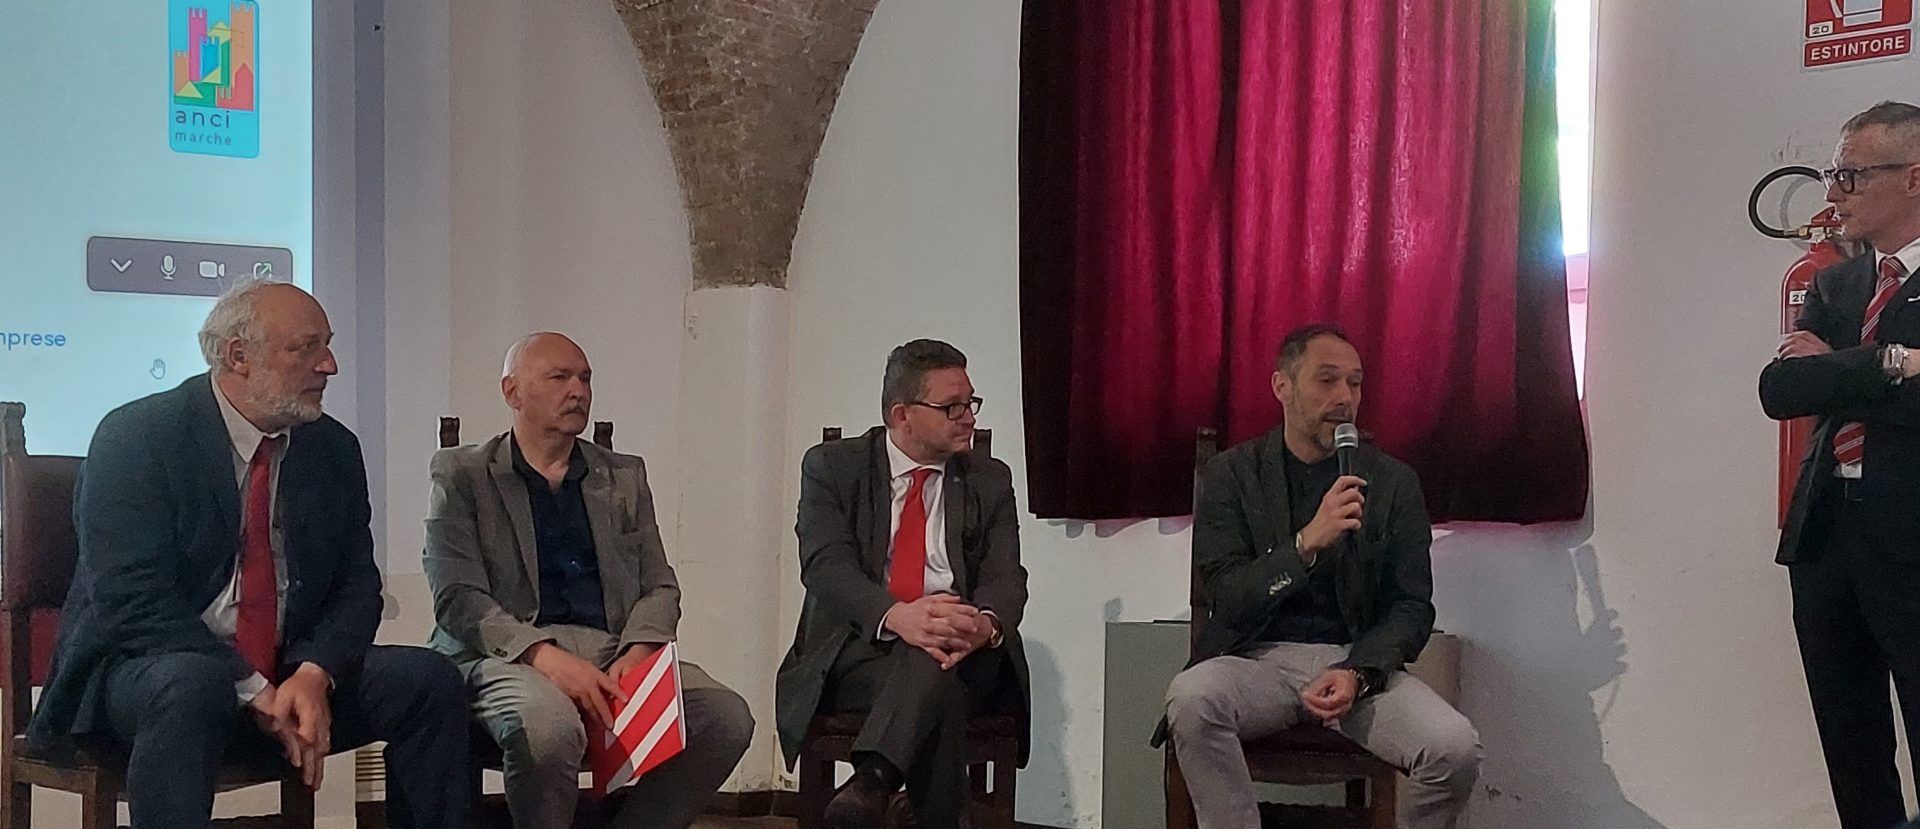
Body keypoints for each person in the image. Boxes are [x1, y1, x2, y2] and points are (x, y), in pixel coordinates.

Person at [28, 279, 470, 828]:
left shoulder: (332, 448)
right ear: (238, 355)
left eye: (328, 345)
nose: (329, 365)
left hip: (285, 668)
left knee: (428, 681)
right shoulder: (138, 437)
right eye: (306, 348)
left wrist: (314, 673)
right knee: (193, 684)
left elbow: (357, 587)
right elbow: (132, 601)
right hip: (145, 673)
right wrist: (253, 689)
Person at [423, 332, 754, 829]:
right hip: (506, 654)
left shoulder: (622, 476)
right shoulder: (463, 474)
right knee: (550, 727)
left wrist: (638, 653)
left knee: (725, 717)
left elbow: (660, 585)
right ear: (512, 391)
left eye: (584, 378)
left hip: (610, 650)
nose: (577, 390)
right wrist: (546, 657)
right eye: (559, 378)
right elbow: (458, 597)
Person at [1159, 323, 1480, 829]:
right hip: (1256, 662)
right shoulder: (1232, 475)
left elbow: (1411, 606)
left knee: (1454, 748)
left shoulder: (1393, 483)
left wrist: (1357, 673)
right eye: (1327, 380)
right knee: (1191, 699)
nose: (1344, 397)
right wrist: (1305, 543)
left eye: (1354, 383)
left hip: (1356, 664)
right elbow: (1227, 594)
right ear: (1282, 386)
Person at [776, 339, 1029, 829]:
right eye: (951, 406)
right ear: (902, 414)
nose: (967, 416)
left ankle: (874, 780)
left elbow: (1006, 575)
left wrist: (984, 625)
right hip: (862, 651)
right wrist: (897, 616)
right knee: (938, 684)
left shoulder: (989, 478)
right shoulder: (833, 467)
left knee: (936, 655)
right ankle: (897, 795)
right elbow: (826, 566)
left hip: (967, 650)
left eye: (971, 403)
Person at [1761, 100, 1920, 829]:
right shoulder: (1836, 285)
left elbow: (1822, 382)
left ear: (1913, 177)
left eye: (1852, 175)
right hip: (1826, 540)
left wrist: (1839, 370)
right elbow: (1782, 389)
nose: (1834, 193)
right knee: (1852, 752)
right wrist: (1893, 363)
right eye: (1834, 174)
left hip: (1911, 538)